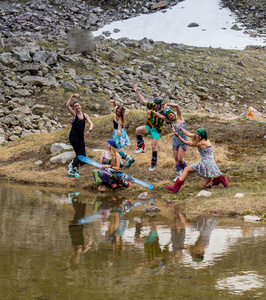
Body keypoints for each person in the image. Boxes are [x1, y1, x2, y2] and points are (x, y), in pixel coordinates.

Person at [166, 127, 229, 193]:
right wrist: (180, 128)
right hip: (211, 163)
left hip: (206, 163)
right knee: (204, 186)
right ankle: (219, 179)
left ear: (201, 136)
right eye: (196, 133)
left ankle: (175, 188)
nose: (196, 135)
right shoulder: (206, 139)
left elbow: (186, 142)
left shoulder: (201, 143)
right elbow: (189, 134)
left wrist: (177, 135)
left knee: (186, 169)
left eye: (197, 134)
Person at [147, 102, 188, 181]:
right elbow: (161, 116)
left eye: (171, 114)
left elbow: (177, 105)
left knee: (180, 158)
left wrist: (167, 104)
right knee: (176, 159)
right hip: (175, 140)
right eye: (169, 116)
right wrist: (152, 111)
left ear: (174, 114)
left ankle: (186, 169)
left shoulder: (180, 118)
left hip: (183, 140)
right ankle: (179, 175)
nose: (171, 116)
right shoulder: (170, 122)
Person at [133, 83, 165, 171]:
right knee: (138, 130)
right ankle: (141, 147)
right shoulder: (152, 106)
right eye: (155, 103)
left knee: (153, 146)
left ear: (161, 104)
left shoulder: (164, 112)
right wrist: (137, 91)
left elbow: (165, 118)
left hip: (157, 130)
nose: (156, 105)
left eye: (158, 104)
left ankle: (153, 164)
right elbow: (143, 100)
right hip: (149, 126)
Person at [66, 93, 93, 178]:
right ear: (74, 108)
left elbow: (91, 123)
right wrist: (71, 96)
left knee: (83, 156)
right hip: (73, 137)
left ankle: (75, 166)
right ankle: (72, 169)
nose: (77, 107)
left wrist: (89, 130)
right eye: (75, 106)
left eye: (78, 106)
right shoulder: (74, 115)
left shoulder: (85, 115)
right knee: (79, 154)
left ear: (80, 106)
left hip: (80, 137)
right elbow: (67, 106)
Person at [107, 100, 135, 168]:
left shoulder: (120, 119)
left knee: (115, 148)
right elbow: (115, 106)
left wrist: (119, 131)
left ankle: (128, 158)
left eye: (119, 112)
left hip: (118, 134)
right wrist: (113, 101)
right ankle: (120, 162)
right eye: (117, 111)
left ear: (121, 113)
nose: (117, 113)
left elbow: (119, 126)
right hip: (115, 133)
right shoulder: (116, 113)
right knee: (115, 147)